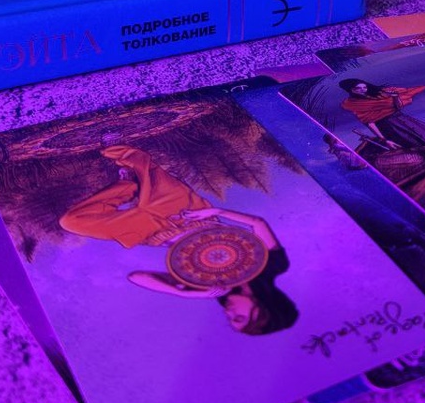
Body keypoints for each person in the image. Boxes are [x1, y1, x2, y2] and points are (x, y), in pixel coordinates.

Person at [59, 144, 298, 335]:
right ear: (262, 309)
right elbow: (258, 224)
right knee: (138, 163)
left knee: (72, 221)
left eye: (230, 320)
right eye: (238, 317)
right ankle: (136, 177)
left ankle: (128, 186)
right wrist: (217, 212)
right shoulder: (273, 265)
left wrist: (185, 293)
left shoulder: (208, 288)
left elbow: (136, 277)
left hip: (153, 234)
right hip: (189, 214)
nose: (228, 314)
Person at [338, 78, 425, 151]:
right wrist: (385, 140)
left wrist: (395, 97)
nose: (363, 90)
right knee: (416, 145)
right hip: (389, 126)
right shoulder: (354, 104)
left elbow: (397, 106)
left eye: (364, 87)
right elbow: (370, 123)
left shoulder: (379, 94)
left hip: (403, 119)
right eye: (358, 88)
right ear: (351, 90)